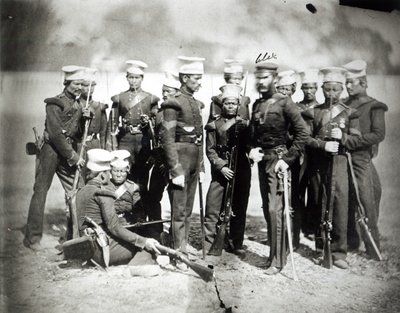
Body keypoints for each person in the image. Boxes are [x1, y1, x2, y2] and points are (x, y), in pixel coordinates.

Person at [248, 61, 308, 275]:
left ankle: (278, 260)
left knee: (276, 210)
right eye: (258, 78)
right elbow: (253, 134)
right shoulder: (256, 105)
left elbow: (303, 133)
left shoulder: (285, 103)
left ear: (274, 79)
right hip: (263, 160)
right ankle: (272, 256)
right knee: (268, 208)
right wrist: (252, 148)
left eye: (264, 78)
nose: (260, 82)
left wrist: (289, 159)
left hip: (279, 161)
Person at [23, 66, 88, 250]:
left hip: (66, 150)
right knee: (41, 191)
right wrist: (74, 156)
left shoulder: (80, 105)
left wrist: (84, 119)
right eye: (76, 83)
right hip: (51, 151)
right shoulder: (54, 103)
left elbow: (78, 134)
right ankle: (32, 238)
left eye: (82, 84)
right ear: (66, 83)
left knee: (79, 191)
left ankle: (75, 235)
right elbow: (55, 134)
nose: (79, 87)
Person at [306, 67, 361, 269]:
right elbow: (306, 139)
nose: (331, 94)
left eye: (335, 90)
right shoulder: (314, 112)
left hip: (339, 163)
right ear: (322, 89)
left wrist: (343, 138)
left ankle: (339, 252)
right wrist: (322, 145)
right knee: (319, 201)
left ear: (342, 91)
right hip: (319, 164)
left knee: (339, 204)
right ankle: (322, 245)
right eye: (327, 89)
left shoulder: (350, 113)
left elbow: (357, 140)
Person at [159, 56, 206, 268]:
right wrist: (175, 168)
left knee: (188, 209)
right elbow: (167, 139)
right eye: (196, 78)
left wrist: (202, 165)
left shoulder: (195, 102)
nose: (199, 82)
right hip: (180, 161)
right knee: (178, 210)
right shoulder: (173, 102)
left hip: (194, 160)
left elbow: (200, 137)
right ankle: (178, 254)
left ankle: (182, 247)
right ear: (185, 78)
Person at [76, 149, 160, 266]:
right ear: (102, 174)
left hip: (84, 250)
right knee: (146, 248)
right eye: (108, 171)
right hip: (102, 251)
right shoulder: (102, 193)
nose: (110, 174)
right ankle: (133, 269)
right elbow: (114, 227)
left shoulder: (81, 192)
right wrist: (144, 241)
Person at [343, 59, 387, 258]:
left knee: (369, 199)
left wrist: (349, 141)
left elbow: (378, 135)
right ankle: (351, 242)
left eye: (352, 82)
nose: (348, 86)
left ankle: (372, 248)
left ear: (363, 82)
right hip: (343, 158)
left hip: (362, 159)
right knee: (347, 200)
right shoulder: (342, 105)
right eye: (347, 82)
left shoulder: (374, 106)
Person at [204, 84, 251, 255]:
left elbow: (250, 146)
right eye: (227, 103)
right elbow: (210, 150)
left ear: (239, 105)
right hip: (221, 170)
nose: (230, 106)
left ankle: (236, 243)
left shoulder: (245, 125)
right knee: (213, 206)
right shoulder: (213, 125)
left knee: (239, 206)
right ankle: (209, 243)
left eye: (234, 103)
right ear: (222, 105)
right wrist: (221, 166)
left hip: (241, 169)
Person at [106, 60, 159, 193]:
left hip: (144, 141)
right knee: (123, 174)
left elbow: (157, 124)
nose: (133, 81)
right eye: (131, 77)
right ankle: (124, 208)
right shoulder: (119, 98)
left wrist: (149, 122)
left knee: (142, 176)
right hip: (125, 139)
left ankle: (141, 211)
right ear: (127, 78)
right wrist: (112, 146)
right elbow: (111, 124)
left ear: (142, 78)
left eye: (137, 78)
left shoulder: (151, 99)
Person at [146, 71, 181, 239]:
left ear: (177, 92)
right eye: (163, 90)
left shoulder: (179, 112)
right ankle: (155, 231)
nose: (165, 93)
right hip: (159, 160)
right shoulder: (158, 112)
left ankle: (176, 236)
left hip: (175, 162)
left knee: (176, 200)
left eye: (169, 90)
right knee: (153, 196)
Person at [293, 69, 321, 245]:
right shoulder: (295, 107)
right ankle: (296, 233)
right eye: (305, 87)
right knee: (297, 193)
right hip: (299, 154)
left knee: (317, 193)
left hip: (316, 155)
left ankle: (317, 232)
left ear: (317, 88)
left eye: (312, 87)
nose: (309, 91)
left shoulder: (322, 108)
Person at [109, 150, 146, 228]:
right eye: (115, 171)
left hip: (127, 223)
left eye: (122, 171)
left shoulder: (132, 187)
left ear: (127, 171)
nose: (119, 175)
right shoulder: (104, 186)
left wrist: (139, 219)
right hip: (109, 223)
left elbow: (138, 209)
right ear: (110, 171)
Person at [80, 68, 108, 150]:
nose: (89, 89)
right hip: (79, 145)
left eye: (92, 85)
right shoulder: (75, 105)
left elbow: (103, 132)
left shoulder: (99, 106)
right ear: (80, 86)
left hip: (96, 145)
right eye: (86, 85)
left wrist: (103, 149)